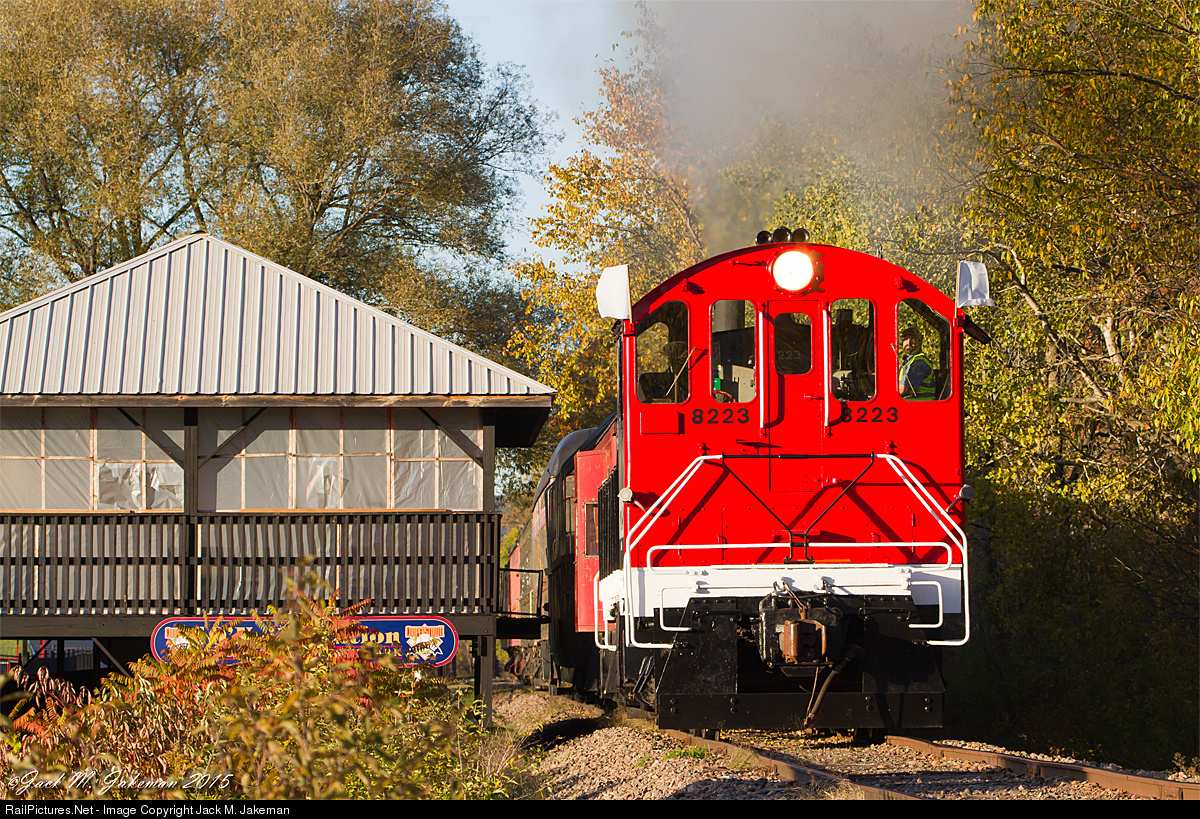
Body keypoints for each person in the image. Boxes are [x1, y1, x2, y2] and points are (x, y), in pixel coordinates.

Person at [899, 327, 936, 400]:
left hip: (920, 404)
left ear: (920, 342)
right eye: (905, 339)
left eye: (912, 339)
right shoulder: (908, 361)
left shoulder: (919, 362)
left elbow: (902, 390)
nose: (908, 342)